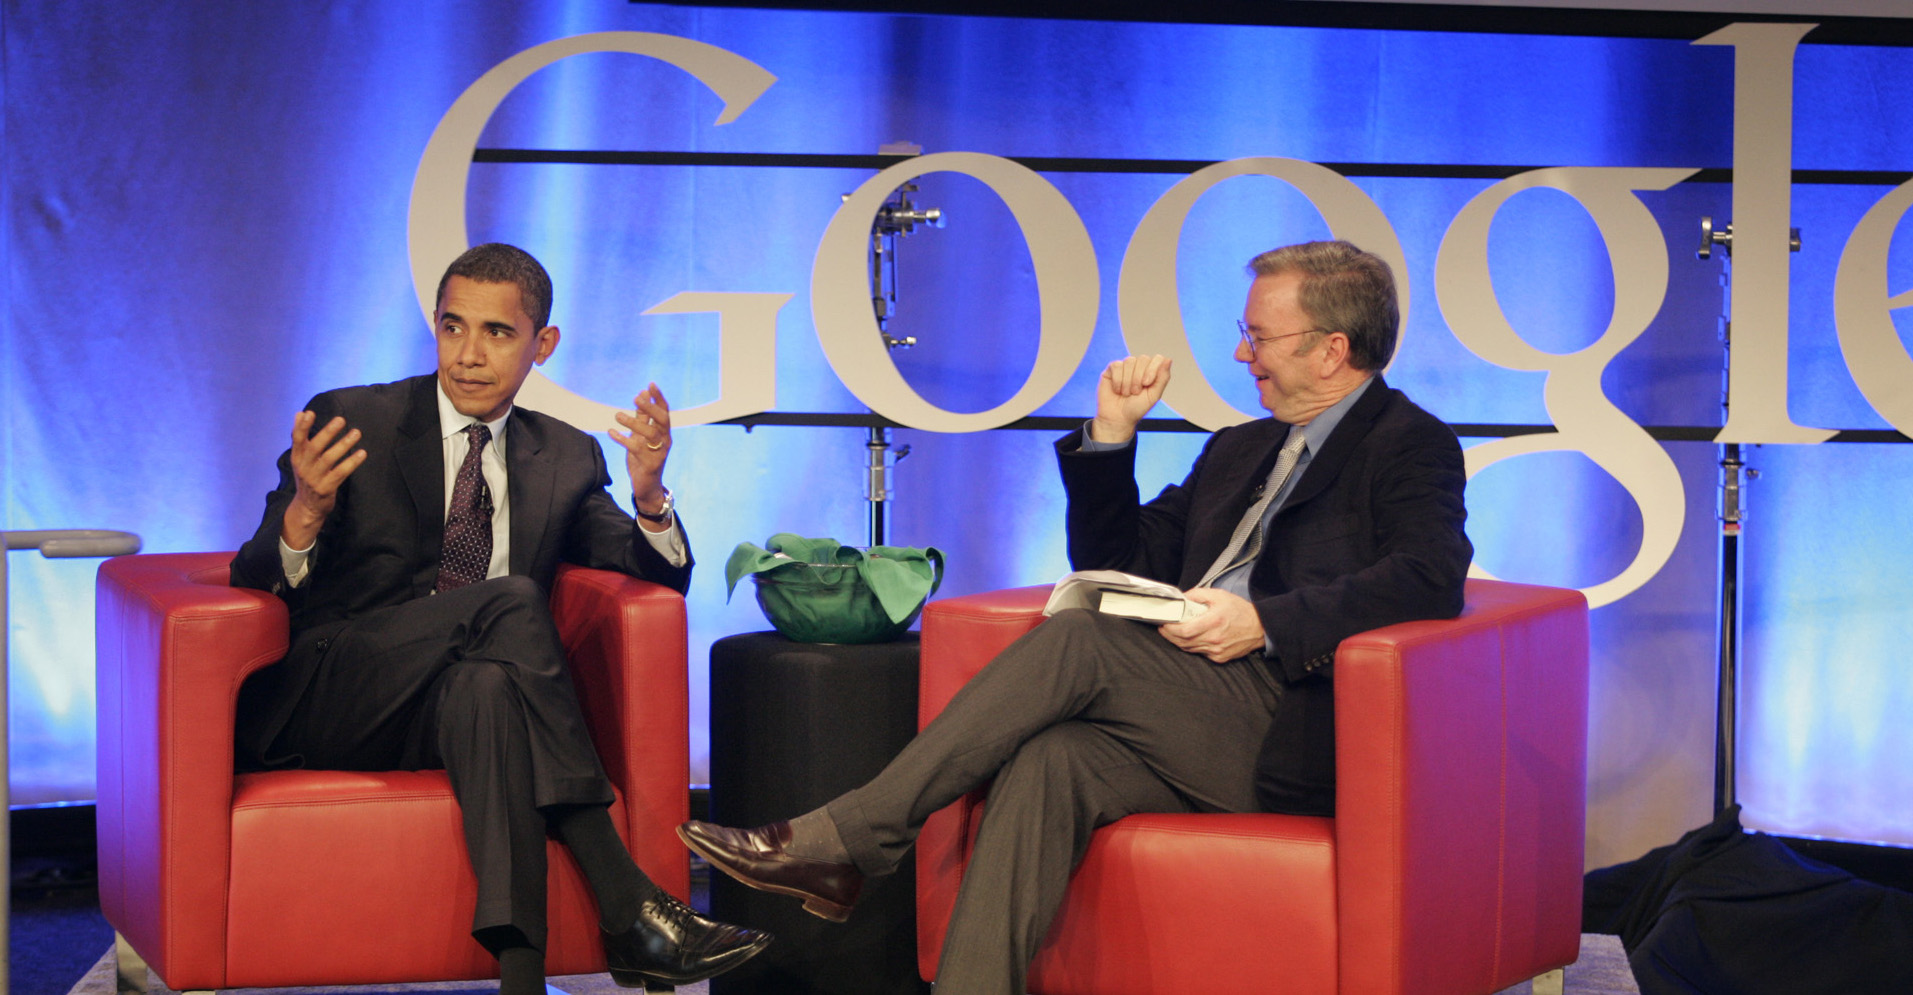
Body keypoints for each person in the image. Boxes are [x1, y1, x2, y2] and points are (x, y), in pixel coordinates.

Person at [676, 239, 1473, 994]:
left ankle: (849, 838)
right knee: (1050, 760)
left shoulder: (1410, 444)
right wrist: (1112, 437)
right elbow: (1122, 560)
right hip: (1182, 702)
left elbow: (1428, 575)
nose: (1241, 353)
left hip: (1284, 724)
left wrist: (1265, 622)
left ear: (1331, 349)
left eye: (1258, 336)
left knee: (1084, 640)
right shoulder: (1241, 448)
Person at [229, 243, 770, 993]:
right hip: (339, 695)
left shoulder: (566, 455)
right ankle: (626, 899)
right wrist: (305, 513)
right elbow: (253, 574)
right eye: (453, 327)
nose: (469, 355)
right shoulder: (354, 420)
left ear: (542, 345)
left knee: (488, 689)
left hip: (449, 711)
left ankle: (521, 979)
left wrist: (650, 498)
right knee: (513, 598)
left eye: (497, 332)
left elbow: (651, 571)